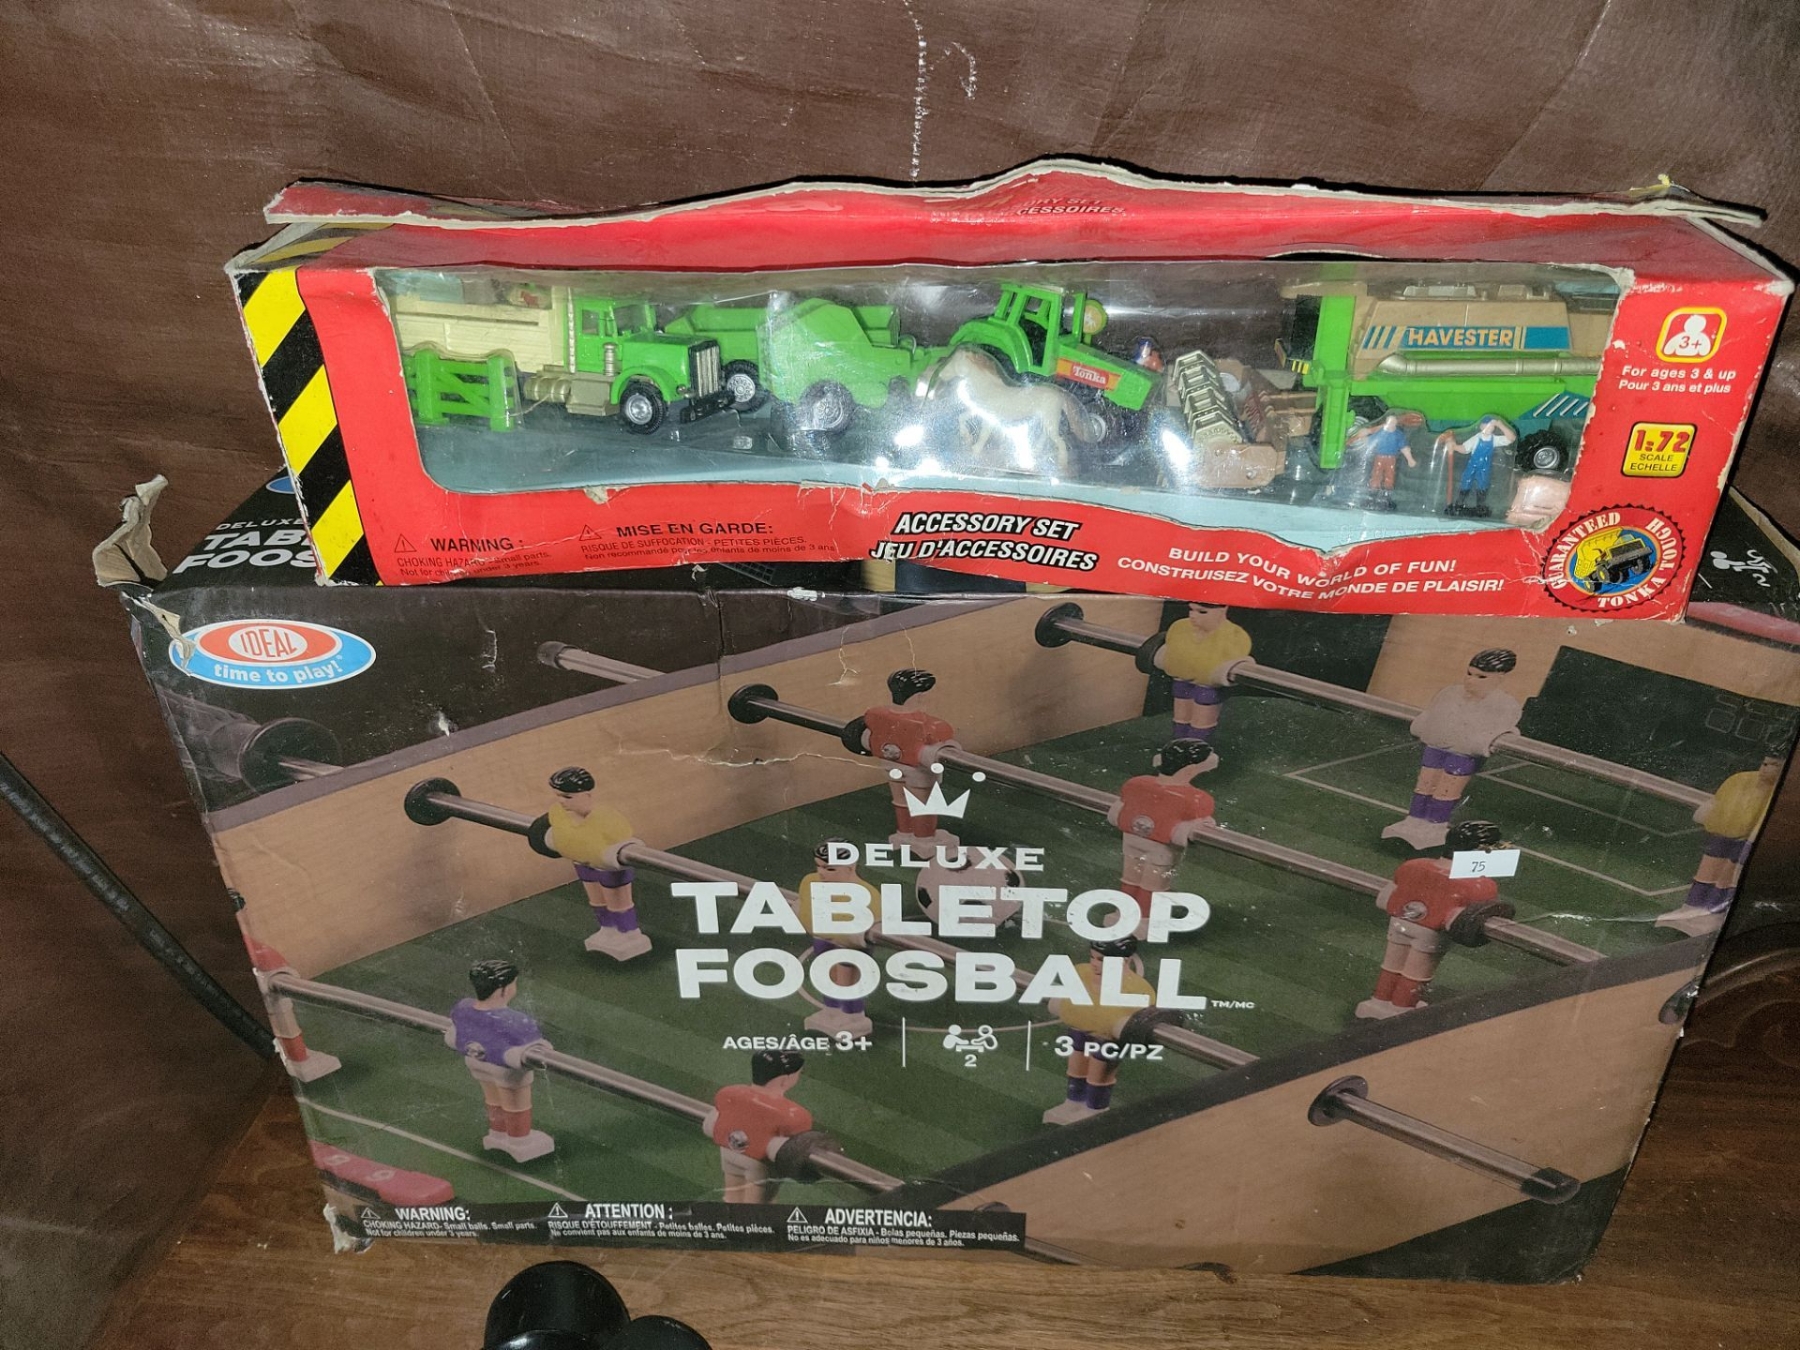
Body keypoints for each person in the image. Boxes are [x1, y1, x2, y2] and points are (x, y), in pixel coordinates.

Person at [1358, 821, 1507, 1019]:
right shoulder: (1481, 885)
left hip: (1399, 922)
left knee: (1392, 964)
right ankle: (1401, 1007)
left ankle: (1379, 1000)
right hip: (1431, 932)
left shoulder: (1413, 865)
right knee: (1416, 973)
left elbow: (1385, 898)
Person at [1383, 648, 1523, 849]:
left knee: (1446, 789)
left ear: (1499, 678)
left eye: (1481, 677)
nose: (1470, 680)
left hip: (1464, 754)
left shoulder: (1505, 704)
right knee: (1425, 784)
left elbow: (1499, 730)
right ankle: (1414, 819)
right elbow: (1431, 716)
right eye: (1469, 674)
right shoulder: (1449, 693)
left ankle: (1435, 825)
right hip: (1437, 746)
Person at [1657, 754, 1784, 935]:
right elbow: (1719, 802)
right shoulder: (1739, 780)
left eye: (1774, 765)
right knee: (1707, 872)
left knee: (1727, 879)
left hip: (1746, 842)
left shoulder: (1780, 793)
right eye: (1765, 763)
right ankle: (1690, 907)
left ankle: (1713, 914)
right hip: (1722, 836)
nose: (1766, 769)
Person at [446, 959, 555, 1161]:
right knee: (516, 1103)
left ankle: (497, 1133)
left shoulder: (463, 1007)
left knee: (493, 1098)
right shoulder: (517, 1020)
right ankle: (519, 1140)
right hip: (506, 1069)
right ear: (503, 990)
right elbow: (538, 1047)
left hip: (476, 1062)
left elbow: (455, 1034)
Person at [1106, 740, 1218, 937]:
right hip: (1161, 848)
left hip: (1132, 839)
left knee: (1130, 879)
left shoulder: (1135, 784)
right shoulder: (1197, 799)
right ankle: (1145, 920)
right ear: (1190, 769)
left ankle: (1122, 914)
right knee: (1152, 886)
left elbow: (1116, 813)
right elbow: (1191, 828)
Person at [1044, 936, 1157, 1125]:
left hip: (1108, 1038)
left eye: (1102, 960)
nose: (1095, 965)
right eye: (1093, 957)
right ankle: (1073, 1103)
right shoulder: (1081, 973)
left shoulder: (1138, 988)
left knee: (1099, 1074)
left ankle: (1095, 1109)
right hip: (1081, 1029)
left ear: (1125, 961)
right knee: (1076, 1066)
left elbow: (1139, 1019)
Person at [544, 766, 650, 959]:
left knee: (618, 902)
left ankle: (629, 933)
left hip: (608, 866)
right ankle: (607, 929)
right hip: (582, 862)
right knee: (596, 899)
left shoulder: (607, 817)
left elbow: (624, 840)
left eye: (567, 797)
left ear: (587, 795)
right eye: (558, 796)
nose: (561, 801)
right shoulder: (557, 813)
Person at [861, 669, 960, 849]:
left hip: (890, 763)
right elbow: (945, 742)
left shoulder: (876, 715)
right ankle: (924, 839)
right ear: (919, 696)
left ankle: (904, 833)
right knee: (924, 804)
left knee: (900, 800)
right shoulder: (932, 725)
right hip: (918, 770)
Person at [703, 1049, 811, 1203]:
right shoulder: (793, 1114)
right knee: (758, 1207)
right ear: (784, 1080)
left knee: (732, 1198)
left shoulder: (728, 1093)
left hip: (728, 1152)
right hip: (759, 1163)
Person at [794, 839, 875, 1037]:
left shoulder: (866, 893)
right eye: (819, 866)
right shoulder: (810, 881)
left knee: (846, 980)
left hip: (848, 945)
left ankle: (853, 1016)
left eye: (829, 869)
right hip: (822, 937)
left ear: (850, 867)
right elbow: (802, 905)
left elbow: (874, 919)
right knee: (825, 974)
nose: (822, 872)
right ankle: (831, 1010)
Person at [1152, 602, 1252, 745]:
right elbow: (1172, 654)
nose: (1193, 616)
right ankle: (1178, 745)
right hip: (1181, 680)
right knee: (1181, 718)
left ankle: (1197, 749)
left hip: (1208, 686)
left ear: (1222, 611)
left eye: (1202, 612)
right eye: (1191, 610)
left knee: (1202, 719)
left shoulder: (1234, 635)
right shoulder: (1180, 627)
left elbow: (1221, 664)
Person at [1437, 416, 1516, 517]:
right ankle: (1459, 504)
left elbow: (1511, 438)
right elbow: (1465, 449)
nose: (1489, 428)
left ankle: (1480, 507)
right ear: (1481, 427)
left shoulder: (1494, 439)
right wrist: (1454, 446)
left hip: (1485, 467)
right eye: (1487, 426)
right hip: (1473, 465)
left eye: (1491, 426)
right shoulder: (1476, 438)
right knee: (1466, 483)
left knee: (1483, 486)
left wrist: (1500, 424)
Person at [1350, 413, 1417, 511]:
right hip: (1379, 458)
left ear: (1396, 423)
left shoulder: (1398, 435)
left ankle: (1386, 497)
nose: (1391, 424)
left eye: (1393, 422)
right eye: (1389, 422)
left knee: (1389, 477)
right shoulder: (1380, 433)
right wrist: (1360, 437)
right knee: (1376, 475)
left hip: (1391, 459)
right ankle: (1372, 495)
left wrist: (1410, 459)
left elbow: (1404, 448)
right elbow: (1370, 440)